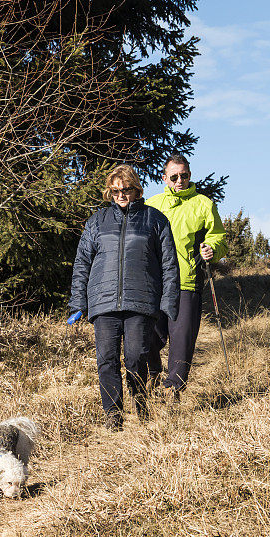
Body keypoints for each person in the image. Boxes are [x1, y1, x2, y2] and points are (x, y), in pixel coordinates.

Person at [69, 165, 179, 431]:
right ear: (110, 191)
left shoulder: (155, 220)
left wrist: (168, 303)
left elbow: (169, 264)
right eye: (116, 190)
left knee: (135, 357)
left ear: (137, 190)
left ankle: (141, 405)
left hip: (140, 301)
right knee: (106, 359)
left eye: (126, 190)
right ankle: (113, 415)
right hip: (103, 302)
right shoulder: (97, 221)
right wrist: (77, 302)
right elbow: (82, 262)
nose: (121, 195)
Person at [146, 154, 227, 402]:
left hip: (187, 281)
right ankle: (152, 376)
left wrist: (212, 249)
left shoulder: (203, 204)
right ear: (165, 178)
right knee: (148, 336)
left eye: (184, 175)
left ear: (190, 175)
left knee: (182, 340)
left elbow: (218, 237)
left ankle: (173, 391)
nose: (180, 180)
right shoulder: (152, 204)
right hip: (155, 283)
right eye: (174, 176)